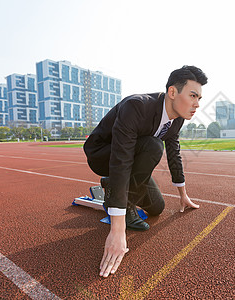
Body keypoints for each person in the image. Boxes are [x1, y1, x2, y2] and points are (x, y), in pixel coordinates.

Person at [83, 65, 208, 277]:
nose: (197, 104)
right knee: (153, 146)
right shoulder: (137, 106)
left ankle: (111, 185)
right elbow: (120, 160)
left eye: (200, 98)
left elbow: (174, 155)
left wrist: (182, 193)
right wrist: (117, 229)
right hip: (103, 155)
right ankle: (119, 197)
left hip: (130, 158)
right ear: (172, 92)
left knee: (157, 207)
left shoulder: (177, 120)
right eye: (193, 95)